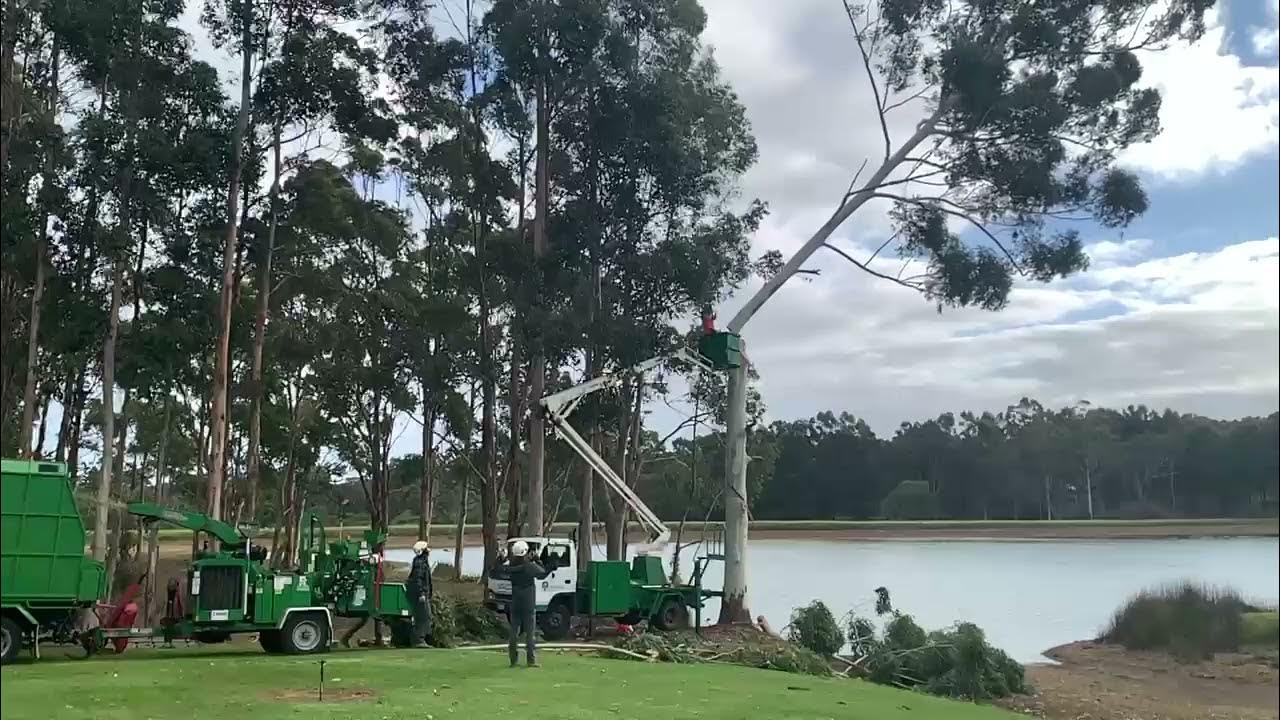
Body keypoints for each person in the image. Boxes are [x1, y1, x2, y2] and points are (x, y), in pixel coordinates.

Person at [490, 540, 550, 667]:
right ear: (525, 552)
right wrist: (537, 559)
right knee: (530, 633)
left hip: (516, 602)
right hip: (528, 603)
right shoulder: (529, 566)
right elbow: (543, 573)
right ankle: (531, 660)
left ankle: (513, 660)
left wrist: (500, 558)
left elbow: (497, 569)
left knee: (514, 632)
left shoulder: (510, 567)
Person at [405, 540, 433, 648]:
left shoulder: (420, 561)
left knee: (422, 616)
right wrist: (422, 593)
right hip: (420, 595)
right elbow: (418, 579)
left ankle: (419, 639)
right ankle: (419, 640)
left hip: (420, 594)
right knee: (424, 617)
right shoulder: (421, 563)